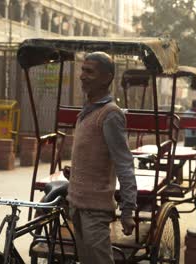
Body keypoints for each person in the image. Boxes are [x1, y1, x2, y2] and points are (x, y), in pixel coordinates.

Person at [67, 52, 137, 264]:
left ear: (107, 77)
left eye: (90, 71)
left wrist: (127, 209)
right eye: (82, 70)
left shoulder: (110, 114)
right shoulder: (88, 110)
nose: (82, 76)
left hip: (95, 210)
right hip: (77, 205)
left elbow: (124, 163)